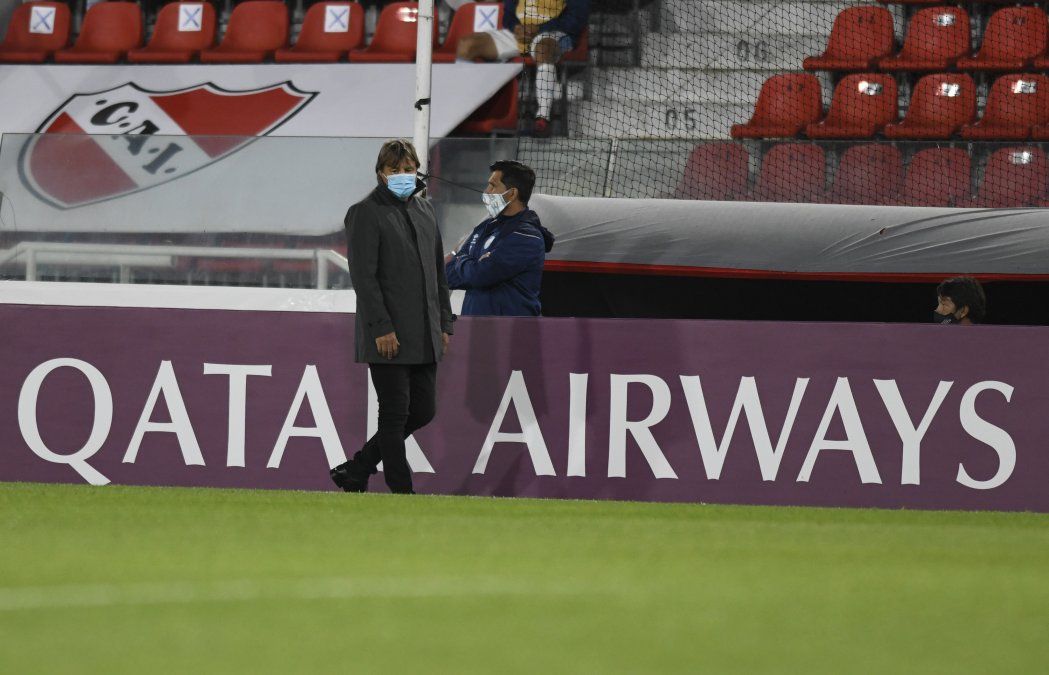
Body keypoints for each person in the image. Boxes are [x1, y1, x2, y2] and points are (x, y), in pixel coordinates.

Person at [330, 139, 455, 494]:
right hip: (388, 333)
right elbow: (364, 279)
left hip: (425, 330)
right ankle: (402, 491)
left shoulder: (425, 210)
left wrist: (445, 323)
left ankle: (358, 468)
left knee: (424, 411)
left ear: (417, 170)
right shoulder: (365, 212)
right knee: (395, 413)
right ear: (381, 173)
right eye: (394, 169)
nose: (402, 175)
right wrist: (381, 328)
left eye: (408, 168)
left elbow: (438, 273)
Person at [455, 0, 590, 137]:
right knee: (468, 45)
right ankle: (459, 111)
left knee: (543, 49)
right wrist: (516, 27)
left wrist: (539, 28)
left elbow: (576, 20)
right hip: (521, 33)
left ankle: (543, 120)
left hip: (555, 34)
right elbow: (508, 14)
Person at [445, 160, 554, 316]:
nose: (486, 191)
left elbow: (479, 275)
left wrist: (461, 257)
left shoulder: (526, 237)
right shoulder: (485, 227)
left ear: (512, 193)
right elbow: (449, 276)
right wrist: (472, 263)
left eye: (493, 186)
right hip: (476, 328)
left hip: (509, 332)